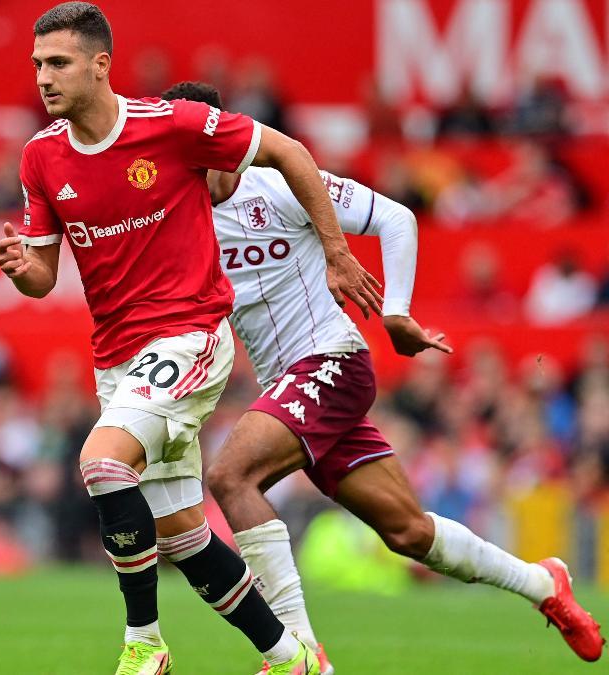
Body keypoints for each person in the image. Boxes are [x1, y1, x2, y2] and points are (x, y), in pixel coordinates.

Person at [159, 81, 605, 670]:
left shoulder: (282, 182)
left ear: (221, 133)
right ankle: (543, 584)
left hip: (332, 362)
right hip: (289, 389)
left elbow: (395, 218)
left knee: (231, 474)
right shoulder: (174, 220)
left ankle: (297, 653)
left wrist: (396, 311)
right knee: (409, 533)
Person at [0, 4, 381, 673]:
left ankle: (144, 642)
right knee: (182, 535)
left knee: (101, 462)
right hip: (116, 357)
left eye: (57, 63)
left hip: (188, 335)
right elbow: (42, 272)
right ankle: (294, 658)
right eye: (37, 65)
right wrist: (21, 269)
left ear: (100, 64)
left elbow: (287, 149)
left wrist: (335, 250)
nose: (44, 78)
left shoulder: (170, 125)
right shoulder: (40, 156)